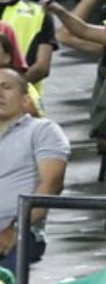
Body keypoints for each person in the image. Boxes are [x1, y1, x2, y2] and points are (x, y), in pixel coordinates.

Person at [0, 68, 67, 271]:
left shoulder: (42, 130)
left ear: (25, 99)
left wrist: (16, 229)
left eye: (6, 87)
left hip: (18, 232)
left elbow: (52, 184)